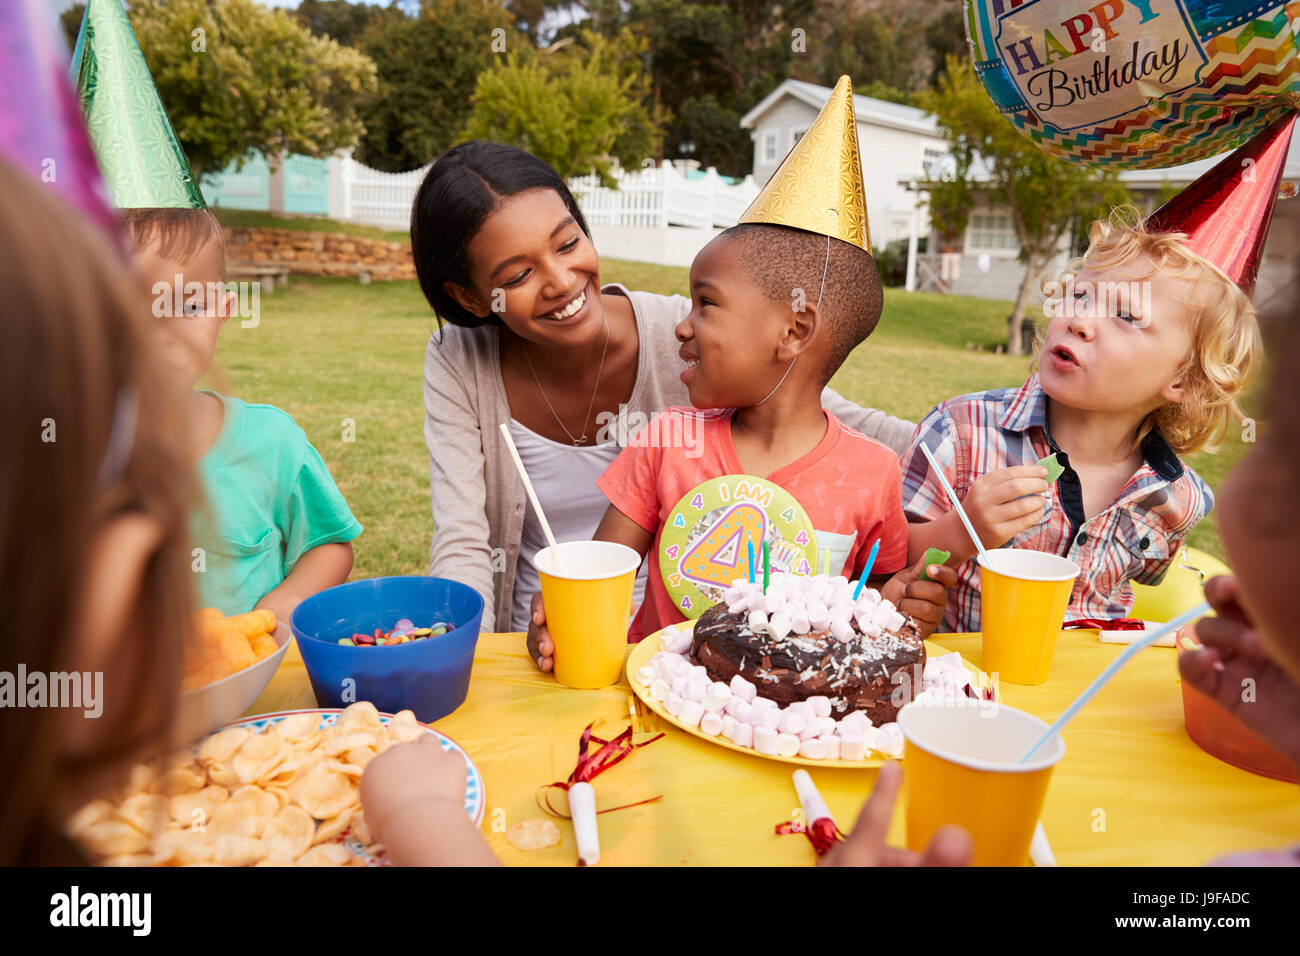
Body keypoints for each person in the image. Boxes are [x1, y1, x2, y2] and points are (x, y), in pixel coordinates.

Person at [413, 140, 918, 634]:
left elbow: (815, 407)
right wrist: (469, 655)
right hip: (563, 626)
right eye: (520, 274)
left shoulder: (693, 334)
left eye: (567, 244)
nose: (562, 281)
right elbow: (463, 543)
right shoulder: (461, 360)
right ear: (470, 297)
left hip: (695, 641)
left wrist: (965, 431)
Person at [901, 208, 1260, 632]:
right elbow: (885, 557)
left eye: (1126, 316)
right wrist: (960, 531)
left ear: (1183, 380)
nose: (1080, 320)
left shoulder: (1178, 499)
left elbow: (1133, 590)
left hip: (1087, 694)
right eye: (1080, 295)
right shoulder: (960, 432)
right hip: (969, 689)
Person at [127, 208, 361, 626]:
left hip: (253, 685)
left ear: (224, 309)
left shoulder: (271, 441)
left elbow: (327, 547)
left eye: (190, 304)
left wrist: (283, 604)